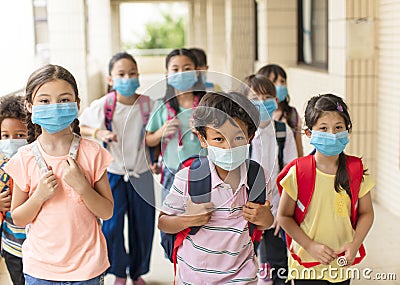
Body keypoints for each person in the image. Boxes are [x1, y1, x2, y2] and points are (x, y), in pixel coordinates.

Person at [4, 64, 114, 284]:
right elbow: (18, 217)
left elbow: (107, 211)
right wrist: (39, 196)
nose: (54, 107)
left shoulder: (93, 153)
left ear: (77, 105)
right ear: (30, 106)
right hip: (41, 271)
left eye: (64, 100)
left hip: (88, 269)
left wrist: (83, 187)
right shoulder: (24, 158)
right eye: (44, 101)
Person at [158, 91, 274, 284]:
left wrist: (265, 218)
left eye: (237, 138)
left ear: (250, 136)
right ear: (203, 139)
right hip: (195, 277)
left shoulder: (257, 178)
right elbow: (163, 223)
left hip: (242, 276)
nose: (228, 147)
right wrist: (188, 218)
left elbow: (265, 222)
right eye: (218, 139)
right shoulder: (188, 177)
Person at [277, 94, 374, 285]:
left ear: (347, 131)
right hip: (306, 267)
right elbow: (284, 217)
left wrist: (355, 245)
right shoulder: (298, 171)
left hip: (341, 266)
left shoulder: (356, 170)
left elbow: (367, 213)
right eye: (323, 128)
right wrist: (310, 246)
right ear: (308, 133)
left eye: (338, 127)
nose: (332, 134)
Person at [79, 52, 155, 285]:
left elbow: (156, 137)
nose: (127, 78)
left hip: (141, 174)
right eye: (121, 74)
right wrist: (98, 132)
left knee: (143, 227)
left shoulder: (148, 105)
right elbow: (80, 126)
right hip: (112, 175)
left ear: (138, 76)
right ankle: (119, 272)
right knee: (111, 227)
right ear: (110, 79)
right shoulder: (104, 105)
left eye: (132, 73)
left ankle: (137, 272)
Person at [244, 74, 297, 284]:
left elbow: (293, 176)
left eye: (266, 97)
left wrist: (282, 213)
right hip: (245, 214)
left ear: (275, 102)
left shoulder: (284, 133)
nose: (260, 102)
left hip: (276, 212)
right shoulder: (239, 134)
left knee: (277, 266)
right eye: (253, 98)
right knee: (246, 264)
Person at [145, 48, 205, 200]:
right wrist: (162, 131)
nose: (181, 73)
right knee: (172, 217)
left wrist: (202, 131)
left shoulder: (207, 104)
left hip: (204, 172)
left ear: (196, 72)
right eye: (175, 69)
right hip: (172, 172)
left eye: (187, 69)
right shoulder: (161, 105)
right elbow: (149, 139)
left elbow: (222, 138)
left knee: (202, 217)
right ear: (167, 75)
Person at [0, 94, 28, 285]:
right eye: (5, 136)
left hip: (39, 249)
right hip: (11, 248)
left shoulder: (36, 165)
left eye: (20, 135)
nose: (11, 141)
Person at [257, 64, 304, 157]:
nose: (280, 85)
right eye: (274, 82)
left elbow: (299, 149)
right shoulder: (256, 115)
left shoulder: (292, 114)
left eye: (282, 81)